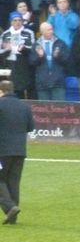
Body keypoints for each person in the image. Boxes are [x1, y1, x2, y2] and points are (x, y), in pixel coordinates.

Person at [0, 80, 35, 225]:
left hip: (2, 150)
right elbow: (30, 127)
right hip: (20, 150)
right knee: (13, 182)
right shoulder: (24, 106)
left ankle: (10, 208)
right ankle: (12, 217)